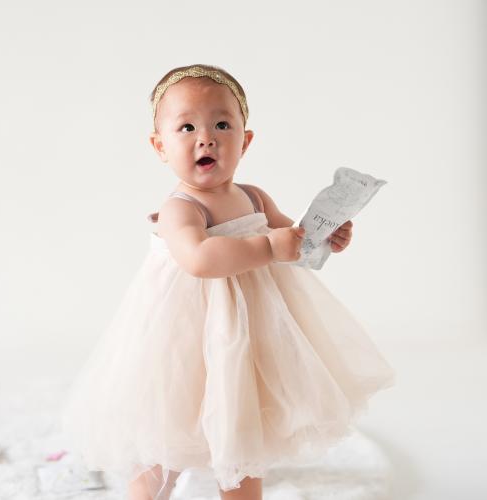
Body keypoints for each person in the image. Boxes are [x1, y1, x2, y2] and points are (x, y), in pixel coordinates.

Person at [60, 64, 396, 500]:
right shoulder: (182, 208)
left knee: (243, 422)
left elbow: (294, 242)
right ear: (160, 146)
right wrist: (269, 247)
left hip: (250, 328)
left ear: (245, 141)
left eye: (222, 125)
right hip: (187, 334)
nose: (206, 138)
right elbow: (199, 258)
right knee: (169, 427)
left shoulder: (254, 197)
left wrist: (323, 236)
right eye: (187, 127)